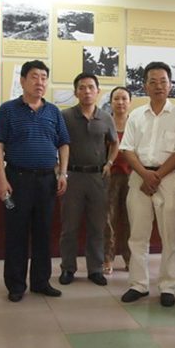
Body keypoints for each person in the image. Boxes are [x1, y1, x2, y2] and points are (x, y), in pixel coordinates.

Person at [0, 60, 69, 302]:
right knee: (16, 233)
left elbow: (64, 143)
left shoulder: (53, 112)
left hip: (46, 180)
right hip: (17, 179)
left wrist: (63, 173)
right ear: (23, 80)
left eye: (44, 77)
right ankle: (16, 285)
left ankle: (41, 281)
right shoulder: (8, 110)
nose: (40, 82)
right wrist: (1, 178)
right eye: (34, 77)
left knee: (44, 232)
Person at [119, 61, 175, 307]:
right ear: (145, 86)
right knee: (137, 235)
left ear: (171, 85)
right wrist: (145, 174)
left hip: (168, 179)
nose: (158, 86)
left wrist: (156, 176)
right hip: (139, 177)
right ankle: (138, 284)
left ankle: (167, 286)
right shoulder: (136, 115)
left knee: (170, 236)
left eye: (163, 81)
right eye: (153, 81)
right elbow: (127, 149)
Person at [58, 72, 118, 286]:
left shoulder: (106, 117)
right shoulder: (65, 116)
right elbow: (58, 144)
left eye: (91, 87)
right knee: (69, 227)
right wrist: (61, 171)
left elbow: (115, 143)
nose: (87, 91)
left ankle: (95, 269)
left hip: (98, 178)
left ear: (98, 91)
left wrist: (109, 163)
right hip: (73, 177)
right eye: (82, 87)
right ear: (75, 92)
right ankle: (68, 268)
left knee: (97, 226)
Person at [104, 86, 132, 274]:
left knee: (131, 219)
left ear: (130, 102)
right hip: (110, 177)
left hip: (132, 176)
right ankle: (108, 258)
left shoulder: (135, 124)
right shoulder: (105, 123)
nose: (120, 102)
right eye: (116, 99)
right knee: (108, 219)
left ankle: (130, 258)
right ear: (111, 102)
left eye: (124, 99)